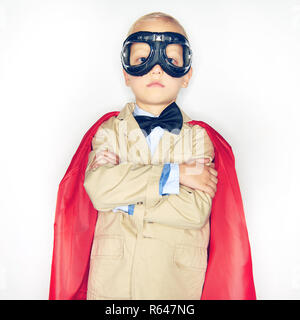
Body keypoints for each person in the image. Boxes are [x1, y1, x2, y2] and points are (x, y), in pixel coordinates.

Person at [49, 12, 256, 300]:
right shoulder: (109, 131)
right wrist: (177, 175)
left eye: (171, 60)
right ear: (125, 73)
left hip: (174, 286)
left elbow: (194, 212)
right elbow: (99, 190)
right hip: (112, 285)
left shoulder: (199, 138)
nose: (156, 69)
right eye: (141, 60)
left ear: (187, 75)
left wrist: (125, 201)